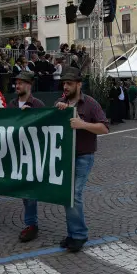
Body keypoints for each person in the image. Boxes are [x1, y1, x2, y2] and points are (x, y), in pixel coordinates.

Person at [49, 67, 109, 252]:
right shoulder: (60, 102)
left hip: (83, 156)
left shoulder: (90, 104)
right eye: (64, 83)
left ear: (79, 84)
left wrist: (82, 124)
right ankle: (72, 233)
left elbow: (104, 128)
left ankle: (80, 235)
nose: (65, 86)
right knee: (67, 195)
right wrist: (57, 111)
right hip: (65, 157)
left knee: (75, 195)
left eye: (69, 83)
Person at [8, 71, 46, 242]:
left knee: (29, 190)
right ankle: (32, 223)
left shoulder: (38, 104)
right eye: (16, 82)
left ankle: (32, 224)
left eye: (21, 83)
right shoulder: (11, 104)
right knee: (24, 191)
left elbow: (46, 129)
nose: (17, 85)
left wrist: (31, 117)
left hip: (32, 155)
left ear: (29, 85)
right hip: (15, 154)